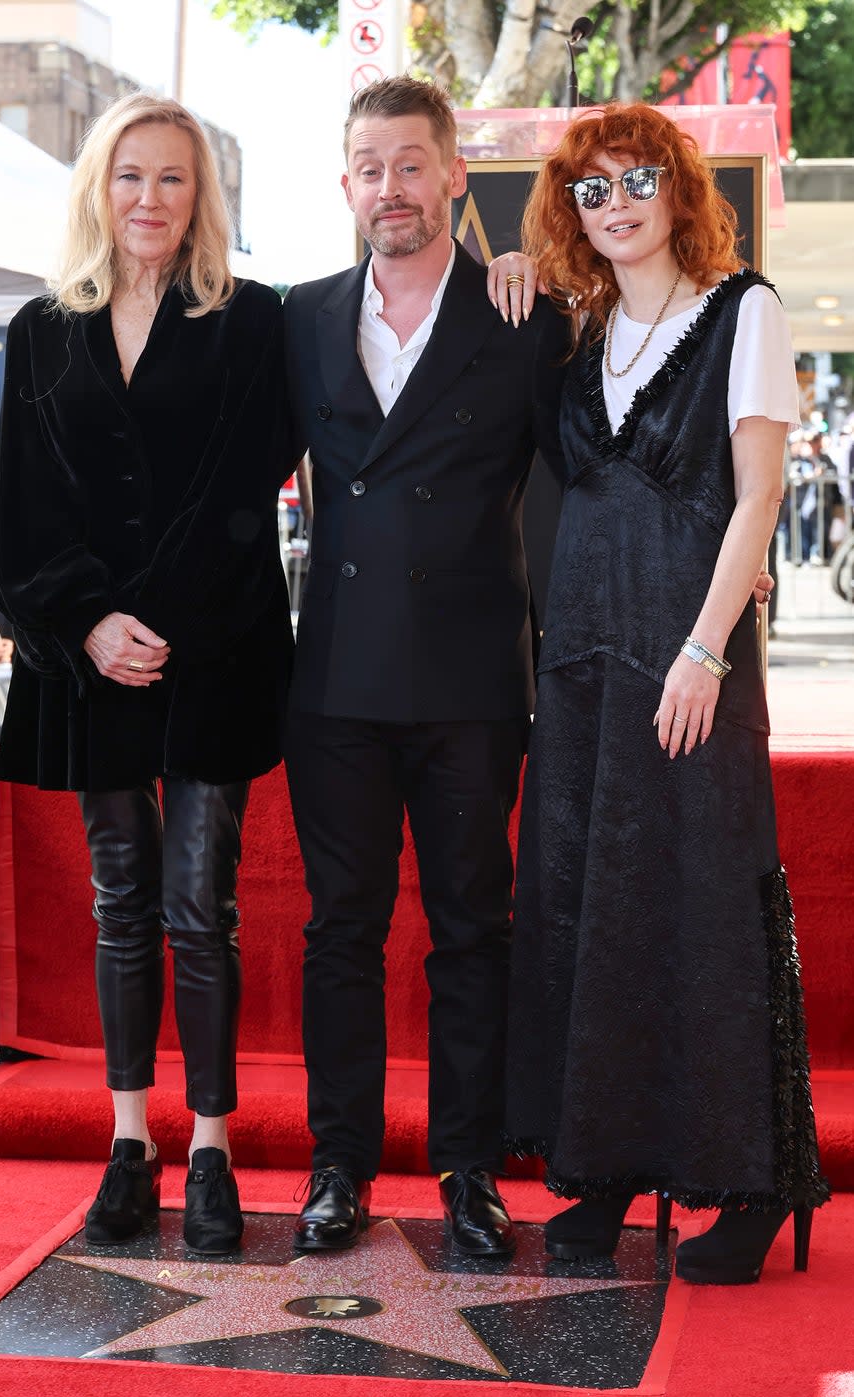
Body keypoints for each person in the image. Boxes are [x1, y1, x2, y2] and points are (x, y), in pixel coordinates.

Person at [503, 102, 829, 1285]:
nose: (617, 203)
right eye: (592, 190)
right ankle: (601, 1167)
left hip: (686, 665)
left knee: (698, 914)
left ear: (678, 187)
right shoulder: (582, 327)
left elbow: (754, 499)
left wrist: (703, 652)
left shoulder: (743, 310)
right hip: (582, 664)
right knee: (590, 913)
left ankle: (742, 1187)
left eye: (638, 179)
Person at [0, 92, 295, 1254]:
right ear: (97, 188)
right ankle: (131, 1143)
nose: (149, 199)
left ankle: (209, 1149)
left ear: (199, 197)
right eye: (130, 177)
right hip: (91, 663)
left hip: (211, 653)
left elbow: (242, 488)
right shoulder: (39, 331)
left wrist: (148, 618)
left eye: (172, 179)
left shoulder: (248, 320)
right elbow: (19, 510)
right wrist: (88, 628)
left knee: (197, 906)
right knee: (120, 901)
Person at [281, 76, 570, 1256]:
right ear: (344, 185)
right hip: (337, 677)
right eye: (368, 167)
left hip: (468, 676)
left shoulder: (524, 315)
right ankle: (337, 1163)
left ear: (456, 175)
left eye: (410, 163)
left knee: (471, 927)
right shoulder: (296, 315)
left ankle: (467, 1164)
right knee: (340, 929)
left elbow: (594, 475)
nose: (388, 188)